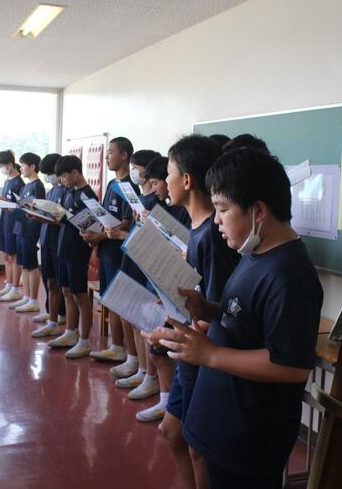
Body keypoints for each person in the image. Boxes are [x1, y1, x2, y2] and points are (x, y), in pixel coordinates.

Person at [156, 148, 322, 489]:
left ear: (258, 211)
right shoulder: (254, 251)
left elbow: (291, 366)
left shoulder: (289, 275)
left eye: (222, 209)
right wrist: (208, 308)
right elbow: (246, 314)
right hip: (223, 421)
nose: (216, 221)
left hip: (250, 438)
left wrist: (211, 354)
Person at [144, 134, 241, 488]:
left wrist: (167, 333)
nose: (164, 181)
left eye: (168, 173)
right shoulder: (197, 230)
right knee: (172, 431)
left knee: (197, 445)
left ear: (186, 180)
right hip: (190, 350)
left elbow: (214, 314)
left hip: (202, 355)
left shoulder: (213, 236)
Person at [132, 155, 191, 423]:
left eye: (160, 181)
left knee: (168, 349)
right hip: (157, 282)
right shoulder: (165, 208)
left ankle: (170, 405)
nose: (157, 187)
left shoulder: (185, 214)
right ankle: (165, 401)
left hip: (175, 289)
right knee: (156, 347)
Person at [103, 149, 162, 402]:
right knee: (134, 319)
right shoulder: (140, 198)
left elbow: (153, 238)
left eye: (137, 168)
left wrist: (120, 235)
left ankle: (150, 376)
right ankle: (138, 366)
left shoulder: (156, 202)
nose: (135, 172)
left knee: (145, 321)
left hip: (144, 264)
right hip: (132, 259)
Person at [84, 137, 137, 365]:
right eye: (106, 152)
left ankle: (128, 352)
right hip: (105, 250)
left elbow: (125, 223)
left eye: (111, 152)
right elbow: (105, 217)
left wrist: (99, 236)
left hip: (119, 253)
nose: (106, 157)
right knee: (110, 300)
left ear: (124, 155)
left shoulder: (130, 186)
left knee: (120, 301)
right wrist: (92, 234)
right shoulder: (111, 184)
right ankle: (116, 347)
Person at [47, 155, 98, 358]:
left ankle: (84, 341)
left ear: (75, 173)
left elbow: (91, 226)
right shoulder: (69, 191)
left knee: (80, 295)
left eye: (64, 176)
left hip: (77, 250)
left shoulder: (88, 195)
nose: (62, 181)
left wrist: (67, 219)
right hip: (63, 247)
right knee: (66, 291)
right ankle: (70, 332)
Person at [32, 153, 68, 337]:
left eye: (49, 173)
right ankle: (51, 313)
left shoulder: (65, 191)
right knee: (49, 281)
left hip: (58, 243)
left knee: (59, 284)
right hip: (46, 240)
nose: (48, 177)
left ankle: (59, 315)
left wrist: (46, 217)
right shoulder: (52, 190)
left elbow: (62, 219)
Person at [9, 152, 46, 313]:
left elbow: (36, 209)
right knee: (23, 264)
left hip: (30, 230)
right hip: (20, 228)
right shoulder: (26, 186)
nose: (21, 168)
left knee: (31, 265)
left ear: (32, 166)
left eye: (24, 165)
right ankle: (26, 296)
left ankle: (33, 300)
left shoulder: (37, 186)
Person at [0, 150, 25, 303]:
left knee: (13, 256)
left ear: (10, 165)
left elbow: (20, 206)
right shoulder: (7, 180)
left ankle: (15, 289)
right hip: (4, 221)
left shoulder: (19, 183)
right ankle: (8, 285)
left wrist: (2, 199)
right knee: (6, 255)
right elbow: (7, 200)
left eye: (2, 166)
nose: (1, 169)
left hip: (14, 223)